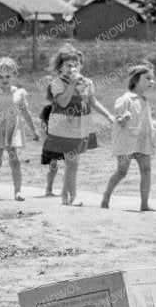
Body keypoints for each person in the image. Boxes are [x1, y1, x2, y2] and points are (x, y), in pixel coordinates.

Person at [40, 46, 115, 204]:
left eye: (76, 64)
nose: (73, 68)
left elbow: (93, 102)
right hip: (62, 128)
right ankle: (72, 196)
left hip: (80, 127)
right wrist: (72, 84)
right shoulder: (57, 83)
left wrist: (109, 115)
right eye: (68, 65)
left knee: (72, 163)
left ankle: (64, 195)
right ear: (60, 67)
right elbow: (64, 101)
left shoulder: (87, 82)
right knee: (72, 162)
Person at [0, 56, 43, 202]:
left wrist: (33, 131)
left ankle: (18, 191)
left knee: (15, 160)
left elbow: (26, 113)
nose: (4, 79)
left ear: (14, 75)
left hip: (12, 129)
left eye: (8, 76)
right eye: (0, 76)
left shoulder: (18, 93)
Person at [101, 64, 156, 210]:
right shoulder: (125, 99)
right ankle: (106, 196)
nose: (152, 81)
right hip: (126, 141)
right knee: (122, 172)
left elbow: (144, 119)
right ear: (136, 79)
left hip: (142, 140)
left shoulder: (144, 100)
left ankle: (144, 204)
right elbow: (118, 120)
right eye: (148, 78)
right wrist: (123, 118)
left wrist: (152, 125)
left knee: (146, 170)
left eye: (152, 78)